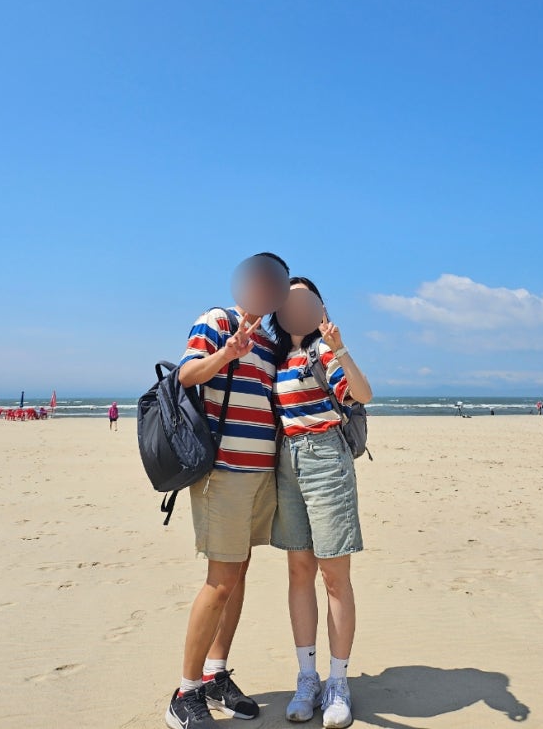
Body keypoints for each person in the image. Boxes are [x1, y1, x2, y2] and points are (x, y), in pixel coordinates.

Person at [165, 253, 289, 729]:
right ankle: (185, 692)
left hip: (260, 474)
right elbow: (185, 376)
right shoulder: (217, 321)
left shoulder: (272, 344)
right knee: (219, 582)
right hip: (223, 473)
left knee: (237, 575)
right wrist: (227, 354)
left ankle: (215, 674)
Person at [269, 277, 372, 729]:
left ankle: (338, 682)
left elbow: (363, 395)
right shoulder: (274, 359)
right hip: (286, 463)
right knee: (299, 571)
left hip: (326, 458)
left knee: (334, 575)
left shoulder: (323, 353)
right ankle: (307, 678)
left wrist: (339, 346)